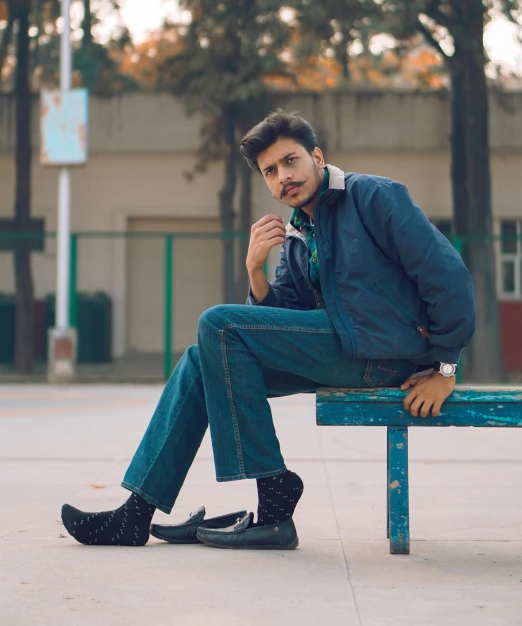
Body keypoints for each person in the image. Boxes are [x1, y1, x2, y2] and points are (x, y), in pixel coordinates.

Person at [61, 110, 475, 549]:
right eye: (270, 171)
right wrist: (255, 269)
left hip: (385, 356)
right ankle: (138, 512)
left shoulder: (373, 197)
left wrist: (444, 368)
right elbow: (274, 322)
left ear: (317, 156)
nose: (283, 177)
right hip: (340, 352)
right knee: (204, 358)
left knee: (216, 324)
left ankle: (274, 489)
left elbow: (448, 276)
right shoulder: (297, 235)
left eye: (291, 161)